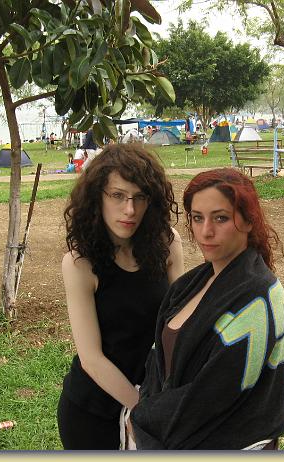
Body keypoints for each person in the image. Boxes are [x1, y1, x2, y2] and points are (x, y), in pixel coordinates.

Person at [128, 168, 284, 450]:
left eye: (221, 218)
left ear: (248, 220)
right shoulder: (191, 284)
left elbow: (212, 397)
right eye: (197, 218)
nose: (206, 231)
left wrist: (142, 417)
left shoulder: (258, 298)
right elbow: (158, 362)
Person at [57, 143, 185, 450]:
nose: (130, 210)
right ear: (97, 197)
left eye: (140, 197)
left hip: (155, 398)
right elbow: (92, 359)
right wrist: (143, 409)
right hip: (93, 414)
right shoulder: (80, 264)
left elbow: (182, 324)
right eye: (118, 195)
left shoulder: (167, 244)